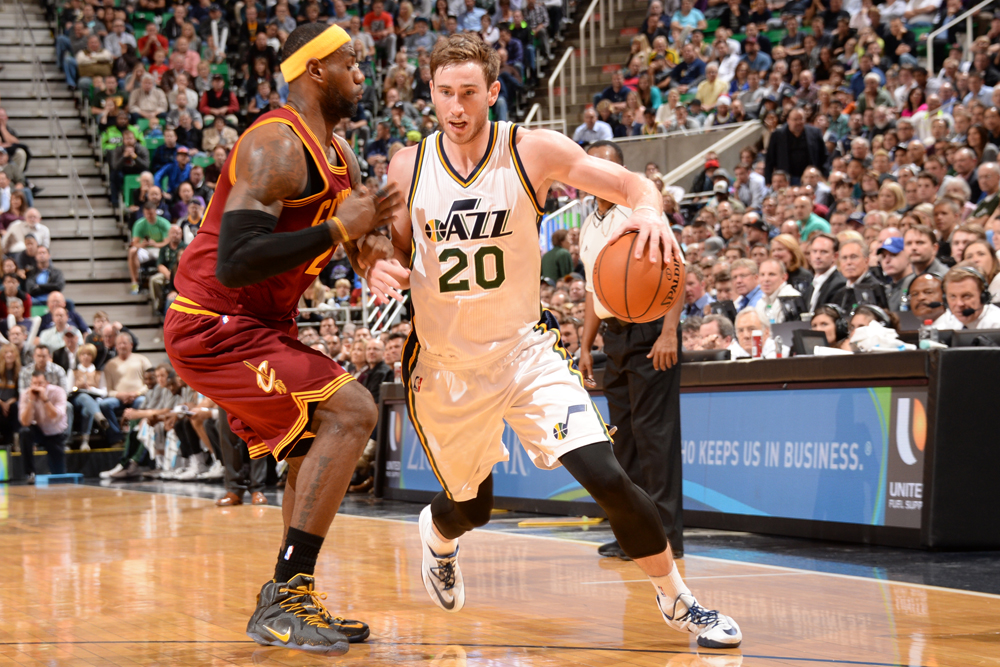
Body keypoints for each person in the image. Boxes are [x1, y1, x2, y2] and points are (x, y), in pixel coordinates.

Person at [374, 33, 741, 648]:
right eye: (445, 94)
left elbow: (633, 185)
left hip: (524, 351)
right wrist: (376, 261)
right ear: (430, 95)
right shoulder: (407, 166)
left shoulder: (532, 149)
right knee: (473, 510)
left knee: (607, 475)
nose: (457, 107)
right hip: (446, 366)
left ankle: (680, 602)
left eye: (470, 92)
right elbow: (389, 245)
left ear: (493, 91)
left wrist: (648, 212)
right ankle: (438, 537)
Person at [162, 24, 400, 654]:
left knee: (308, 452)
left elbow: (348, 230)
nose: (360, 73)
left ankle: (292, 598)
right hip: (213, 321)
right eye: (350, 62)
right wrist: (334, 234)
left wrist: (369, 252)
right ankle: (283, 595)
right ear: (315, 70)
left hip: (263, 324)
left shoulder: (339, 155)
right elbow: (235, 262)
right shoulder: (275, 143)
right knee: (354, 410)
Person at [576, 140, 685, 562]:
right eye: (593, 168)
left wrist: (670, 332)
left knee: (656, 439)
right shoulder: (589, 225)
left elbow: (675, 269)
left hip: (651, 331)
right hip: (615, 339)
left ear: (624, 173)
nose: (602, 175)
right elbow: (592, 291)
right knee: (623, 442)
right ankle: (637, 535)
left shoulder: (643, 215)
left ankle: (668, 537)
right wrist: (586, 345)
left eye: (610, 168)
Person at [19, 369, 69, 482]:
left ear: (47, 383)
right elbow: (25, 422)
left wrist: (45, 399)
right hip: (39, 431)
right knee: (25, 432)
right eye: (34, 384)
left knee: (59, 475)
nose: (37, 387)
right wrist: (31, 401)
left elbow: (54, 416)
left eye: (40, 383)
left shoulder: (58, 392)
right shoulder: (26, 394)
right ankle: (29, 473)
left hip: (55, 433)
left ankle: (55, 471)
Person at [216, 407, 269, 506]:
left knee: (257, 430)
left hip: (255, 391)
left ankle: (257, 488)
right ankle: (234, 489)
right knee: (228, 435)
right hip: (226, 391)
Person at [764, 107, 827, 185]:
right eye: (795, 119)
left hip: (810, 178)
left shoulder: (815, 133)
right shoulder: (777, 135)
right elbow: (770, 160)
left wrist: (824, 175)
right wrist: (768, 181)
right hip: (787, 179)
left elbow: (824, 156)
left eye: (801, 119)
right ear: (788, 120)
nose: (799, 122)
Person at [934, 266, 1000, 329]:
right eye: (953, 296)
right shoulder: (947, 320)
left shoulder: (996, 323)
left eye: (966, 296)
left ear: (983, 297)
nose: (959, 303)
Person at [755, 258, 802, 325]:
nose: (766, 279)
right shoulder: (760, 302)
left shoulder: (792, 298)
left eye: (771, 274)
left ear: (784, 277)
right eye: (762, 275)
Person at [806, 233, 846, 311]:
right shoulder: (811, 283)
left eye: (823, 252)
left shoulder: (839, 284)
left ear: (835, 256)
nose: (817, 256)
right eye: (814, 251)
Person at [878, 237, 916, 311]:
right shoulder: (887, 289)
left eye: (893, 255)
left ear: (908, 256)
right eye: (883, 256)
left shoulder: (916, 285)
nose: (887, 260)